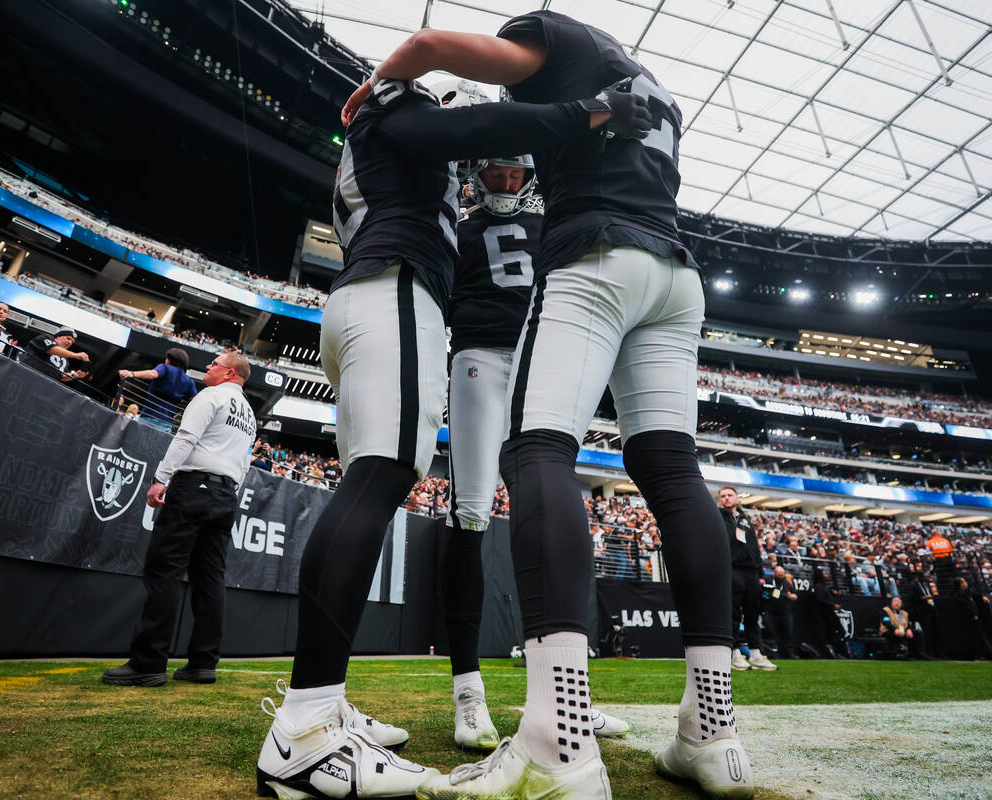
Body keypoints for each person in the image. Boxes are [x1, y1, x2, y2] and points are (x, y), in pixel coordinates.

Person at [350, 12, 753, 799]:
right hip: (674, 273)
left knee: (538, 452)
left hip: (597, 254)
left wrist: (378, 86)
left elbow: (433, 49)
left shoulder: (563, 47)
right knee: (673, 473)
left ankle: (555, 735)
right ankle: (714, 731)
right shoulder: (658, 93)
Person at [254, 67, 649, 800]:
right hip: (397, 293)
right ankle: (307, 728)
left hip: (377, 292)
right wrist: (588, 110)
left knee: (372, 483)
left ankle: (322, 707)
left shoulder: (405, 159)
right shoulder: (398, 117)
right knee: (382, 481)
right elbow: (465, 128)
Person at [438, 148, 630, 748]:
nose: (504, 180)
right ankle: (467, 692)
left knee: (545, 508)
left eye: (514, 172)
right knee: (469, 509)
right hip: (476, 355)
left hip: (534, 356)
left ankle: (567, 692)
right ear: (476, 173)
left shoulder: (549, 222)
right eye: (495, 170)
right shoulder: (460, 226)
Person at [103, 352, 256, 687]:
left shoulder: (211, 396)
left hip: (193, 487)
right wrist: (226, 491)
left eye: (214, 364)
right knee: (210, 579)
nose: (208, 368)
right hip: (225, 493)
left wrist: (161, 477)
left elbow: (186, 437)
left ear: (230, 372)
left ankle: (148, 663)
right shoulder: (249, 413)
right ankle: (203, 663)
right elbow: (243, 464)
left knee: (164, 571)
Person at [719, 486, 775, 671]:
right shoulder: (717, 517)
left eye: (729, 495)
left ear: (737, 498)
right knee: (733, 614)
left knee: (753, 614)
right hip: (731, 570)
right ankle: (735, 653)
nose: (726, 498)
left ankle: (756, 654)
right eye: (723, 496)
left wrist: (760, 574)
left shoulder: (745, 520)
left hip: (751, 572)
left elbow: (754, 547)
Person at [118, 348, 198, 431]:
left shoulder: (165, 368)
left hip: (148, 418)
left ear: (169, 360)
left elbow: (153, 374)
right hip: (166, 425)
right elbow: (196, 400)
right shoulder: (189, 381)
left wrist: (132, 373)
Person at [18, 327, 90, 383]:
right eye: (68, 338)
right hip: (23, 374)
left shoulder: (65, 360)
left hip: (43, 385)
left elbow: (62, 377)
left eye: (72, 342)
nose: (70, 342)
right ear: (58, 336)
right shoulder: (46, 337)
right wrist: (75, 355)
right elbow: (51, 349)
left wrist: (74, 375)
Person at [762, 566, 799, 660]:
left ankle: (789, 653)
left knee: (788, 632)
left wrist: (789, 595)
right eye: (779, 575)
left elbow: (795, 595)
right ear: (774, 574)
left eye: (782, 575)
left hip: (785, 612)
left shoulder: (786, 583)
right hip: (770, 610)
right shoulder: (768, 580)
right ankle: (773, 653)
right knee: (771, 632)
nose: (780, 576)